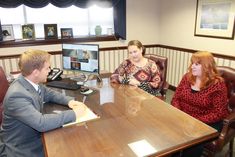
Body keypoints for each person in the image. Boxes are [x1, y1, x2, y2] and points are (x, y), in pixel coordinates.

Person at [0, 49, 86, 157]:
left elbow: (48, 93)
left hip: (33, 136)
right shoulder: (17, 95)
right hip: (21, 147)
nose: (50, 71)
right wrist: (74, 114)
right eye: (47, 68)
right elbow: (41, 123)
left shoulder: (30, 81)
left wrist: (70, 101)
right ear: (35, 72)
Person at [171, 51, 229, 157]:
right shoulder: (187, 77)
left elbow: (219, 113)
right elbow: (176, 98)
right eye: (192, 63)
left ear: (207, 66)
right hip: (184, 117)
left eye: (196, 64)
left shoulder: (217, 85)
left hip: (206, 121)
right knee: (169, 134)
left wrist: (195, 121)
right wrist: (178, 114)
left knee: (192, 142)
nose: (192, 66)